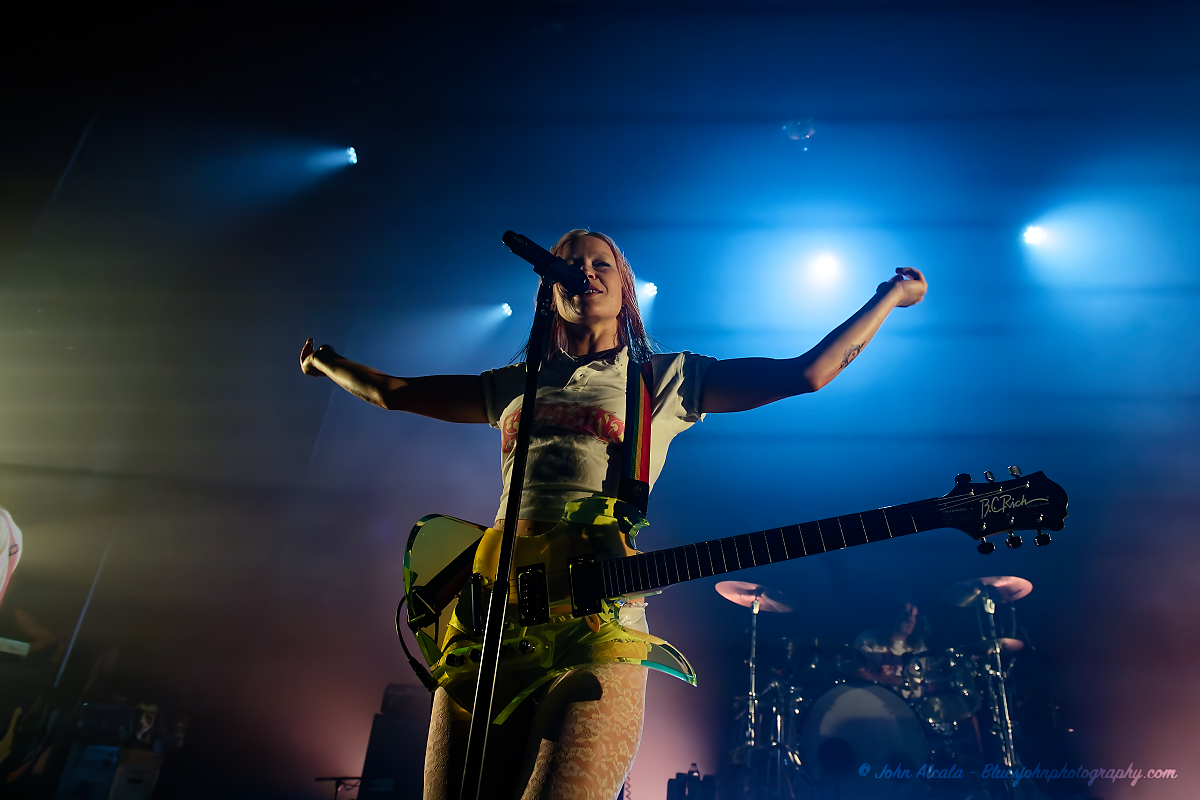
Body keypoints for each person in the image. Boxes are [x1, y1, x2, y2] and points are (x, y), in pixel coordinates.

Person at [300, 230, 926, 800]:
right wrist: (325, 361)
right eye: (571, 263)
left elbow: (807, 374)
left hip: (598, 627)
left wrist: (888, 297)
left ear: (626, 289)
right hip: (489, 622)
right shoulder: (513, 384)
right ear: (549, 287)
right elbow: (393, 392)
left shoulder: (666, 380)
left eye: (603, 263)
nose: (586, 272)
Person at [854, 601, 929, 691]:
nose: (911, 620)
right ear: (893, 615)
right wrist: (896, 681)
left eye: (915, 616)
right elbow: (858, 675)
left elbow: (925, 682)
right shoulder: (867, 640)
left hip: (905, 704)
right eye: (906, 614)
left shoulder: (920, 649)